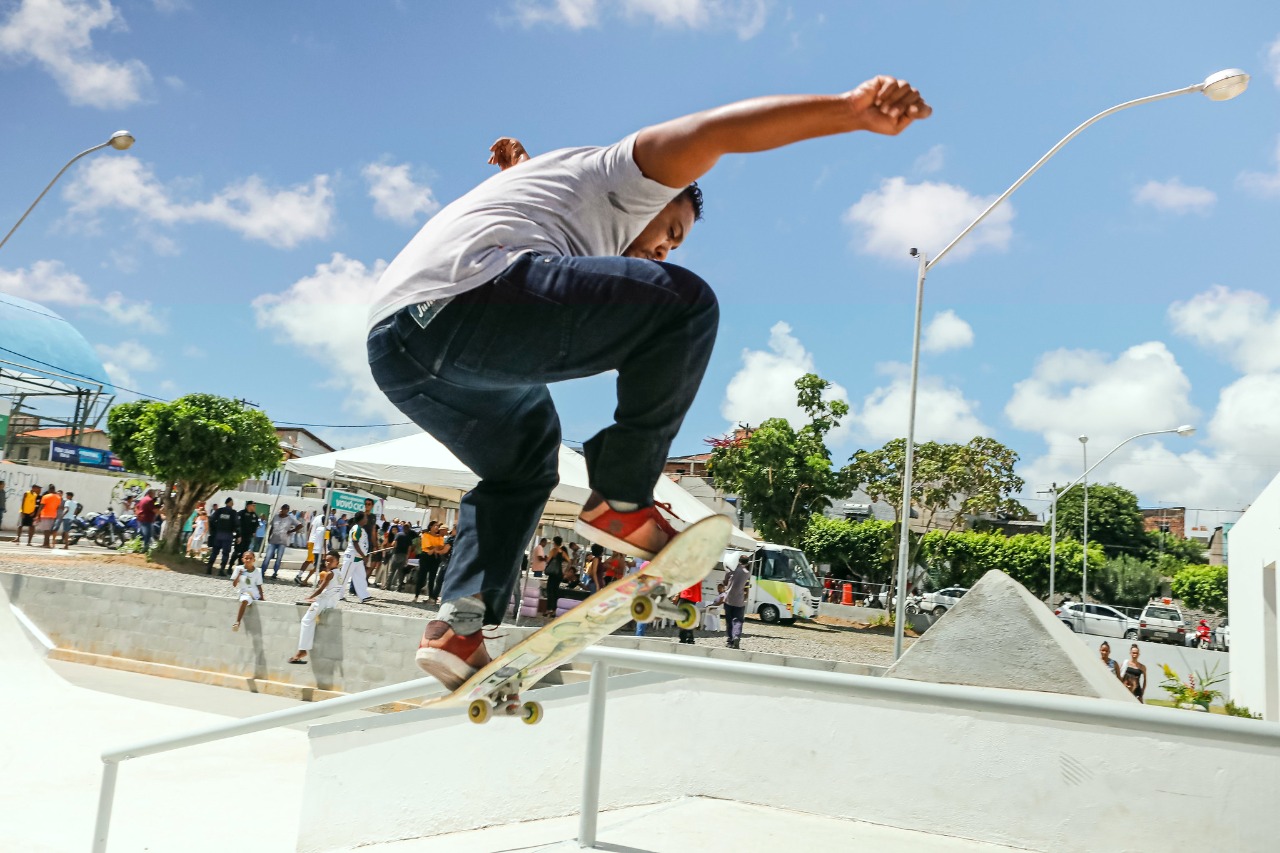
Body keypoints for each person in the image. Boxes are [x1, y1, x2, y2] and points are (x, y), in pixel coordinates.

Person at [365, 76, 932, 688]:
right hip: (467, 304)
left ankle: (458, 626)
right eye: (672, 230)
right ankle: (622, 498)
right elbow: (716, 132)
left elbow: (541, 193)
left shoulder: (561, 201)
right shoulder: (623, 174)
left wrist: (517, 164)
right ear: (652, 195)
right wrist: (847, 112)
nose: (665, 249)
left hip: (401, 352)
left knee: (525, 464)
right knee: (685, 307)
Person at [288, 550, 344, 665]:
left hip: (325, 600)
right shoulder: (340, 573)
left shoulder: (329, 574)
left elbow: (321, 589)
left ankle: (302, 650)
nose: (328, 563)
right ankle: (302, 650)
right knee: (311, 618)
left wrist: (310, 597)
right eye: (327, 560)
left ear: (337, 562)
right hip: (332, 601)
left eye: (331, 561)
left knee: (306, 620)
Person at [230, 550, 265, 632]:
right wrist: (239, 575)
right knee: (245, 600)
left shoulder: (258, 571)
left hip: (254, 592)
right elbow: (234, 584)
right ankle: (238, 622)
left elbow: (259, 585)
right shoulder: (239, 569)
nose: (248, 560)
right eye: (246, 558)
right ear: (243, 559)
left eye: (250, 558)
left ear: (254, 560)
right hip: (244, 591)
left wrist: (262, 597)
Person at [342, 510, 372, 603]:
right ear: (361, 519)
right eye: (365, 517)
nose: (366, 519)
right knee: (344, 577)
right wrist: (364, 556)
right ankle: (337, 595)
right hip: (352, 556)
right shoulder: (357, 529)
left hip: (358, 558)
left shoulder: (361, 529)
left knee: (361, 576)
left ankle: (364, 596)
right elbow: (355, 543)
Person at [263, 504, 301, 579]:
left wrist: (290, 531)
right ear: (281, 509)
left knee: (279, 558)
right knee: (268, 556)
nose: (285, 511)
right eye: (284, 509)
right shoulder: (276, 516)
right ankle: (263, 571)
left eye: (286, 510)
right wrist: (268, 537)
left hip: (282, 541)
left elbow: (300, 525)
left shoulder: (290, 518)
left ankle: (275, 572)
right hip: (273, 540)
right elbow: (272, 527)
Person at [723, 554, 752, 649]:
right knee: (738, 620)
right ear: (747, 563)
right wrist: (745, 598)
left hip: (728, 599)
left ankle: (730, 641)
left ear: (738, 561)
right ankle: (736, 636)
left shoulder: (731, 570)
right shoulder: (747, 573)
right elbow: (746, 588)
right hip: (739, 600)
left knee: (729, 621)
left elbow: (725, 582)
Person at [415, 521, 446, 603]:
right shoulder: (426, 535)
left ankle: (431, 597)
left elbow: (441, 546)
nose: (437, 527)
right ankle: (416, 595)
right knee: (422, 577)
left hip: (435, 558)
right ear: (431, 526)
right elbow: (427, 546)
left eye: (437, 526)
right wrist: (436, 547)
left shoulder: (440, 537)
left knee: (432, 578)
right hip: (426, 557)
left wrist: (435, 548)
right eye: (435, 526)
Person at [206, 498, 239, 576]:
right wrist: (238, 534)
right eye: (232, 502)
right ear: (230, 503)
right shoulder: (233, 512)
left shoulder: (219, 511)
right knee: (225, 553)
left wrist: (214, 531)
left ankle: (209, 568)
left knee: (214, 552)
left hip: (218, 535)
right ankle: (221, 570)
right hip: (228, 535)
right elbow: (237, 524)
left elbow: (211, 520)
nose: (233, 504)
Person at [297, 509, 329, 586]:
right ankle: (305, 579)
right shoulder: (326, 530)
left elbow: (310, 528)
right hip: (320, 549)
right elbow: (324, 541)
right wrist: (325, 552)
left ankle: (319, 581)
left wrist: (308, 539)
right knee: (318, 565)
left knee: (318, 565)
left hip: (315, 547)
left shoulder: (317, 524)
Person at [544, 536, 569, 617]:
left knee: (549, 591)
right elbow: (569, 561)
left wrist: (546, 559)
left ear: (554, 542)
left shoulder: (553, 550)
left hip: (552, 574)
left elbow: (548, 560)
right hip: (559, 574)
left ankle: (549, 609)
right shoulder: (563, 552)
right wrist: (565, 571)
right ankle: (554, 610)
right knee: (555, 591)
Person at [386, 524, 414, 592]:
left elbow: (394, 543)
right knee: (400, 573)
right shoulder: (409, 537)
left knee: (392, 571)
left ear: (403, 528)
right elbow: (409, 548)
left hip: (396, 554)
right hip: (404, 555)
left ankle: (387, 586)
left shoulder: (398, 534)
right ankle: (398, 588)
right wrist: (407, 557)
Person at [676, 577, 702, 644]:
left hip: (687, 593)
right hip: (693, 595)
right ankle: (690, 638)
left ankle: (683, 638)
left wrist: (677, 594)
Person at [36, 484, 61, 549]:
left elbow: (41, 506)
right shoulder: (58, 497)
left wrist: (37, 515)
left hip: (45, 515)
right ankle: (45, 543)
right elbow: (58, 507)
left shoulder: (46, 496)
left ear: (49, 490)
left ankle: (46, 544)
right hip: (53, 515)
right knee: (48, 531)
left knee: (46, 531)